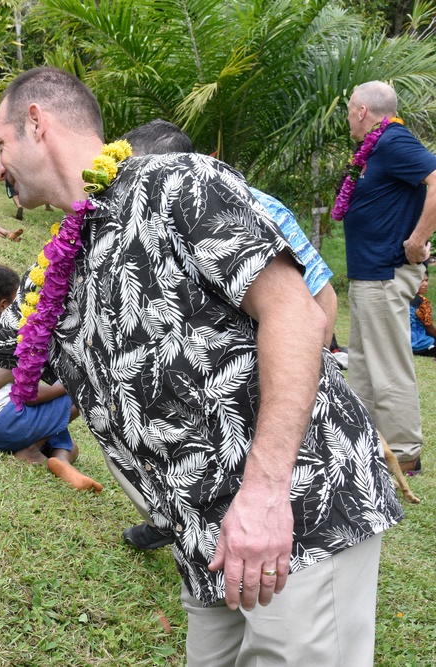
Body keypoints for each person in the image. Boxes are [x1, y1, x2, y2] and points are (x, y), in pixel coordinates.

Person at [0, 67, 403, 666]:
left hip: (297, 512)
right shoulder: (60, 262)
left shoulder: (179, 183)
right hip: (204, 540)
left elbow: (296, 317)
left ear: (38, 123)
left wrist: (265, 492)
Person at [116, 118, 340, 551]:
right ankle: (169, 519)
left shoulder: (252, 206)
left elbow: (321, 296)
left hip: (252, 368)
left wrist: (312, 371)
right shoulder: (124, 217)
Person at [340, 80, 436, 475]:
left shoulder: (395, 141)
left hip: (385, 271)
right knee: (361, 363)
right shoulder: (377, 147)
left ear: (363, 110)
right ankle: (360, 440)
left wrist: (418, 241)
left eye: (349, 110)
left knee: (389, 364)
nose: (348, 118)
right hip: (369, 273)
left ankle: (405, 451)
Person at [0, 259, 100, 491]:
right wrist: (68, 384)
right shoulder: (6, 337)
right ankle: (33, 448)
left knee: (71, 448)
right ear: (5, 305)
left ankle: (62, 461)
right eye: (22, 298)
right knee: (85, 389)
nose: (28, 303)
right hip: (6, 423)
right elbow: (30, 395)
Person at [410, 265, 436, 356]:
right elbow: (429, 327)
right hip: (421, 344)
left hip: (402, 345)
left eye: (426, 280)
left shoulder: (401, 299)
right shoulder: (422, 302)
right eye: (421, 281)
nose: (425, 284)